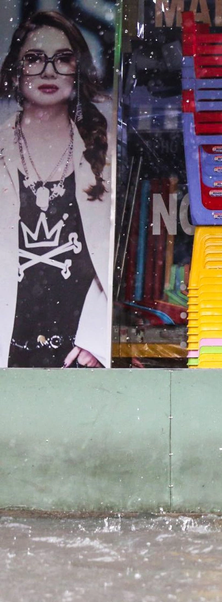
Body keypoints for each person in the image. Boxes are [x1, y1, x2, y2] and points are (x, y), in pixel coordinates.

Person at [0, 11, 112, 368]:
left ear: (78, 71)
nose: (48, 71)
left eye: (62, 59)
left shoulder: (106, 152)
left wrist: (97, 338)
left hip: (81, 357)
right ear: (15, 72)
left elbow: (117, 258)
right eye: (33, 59)